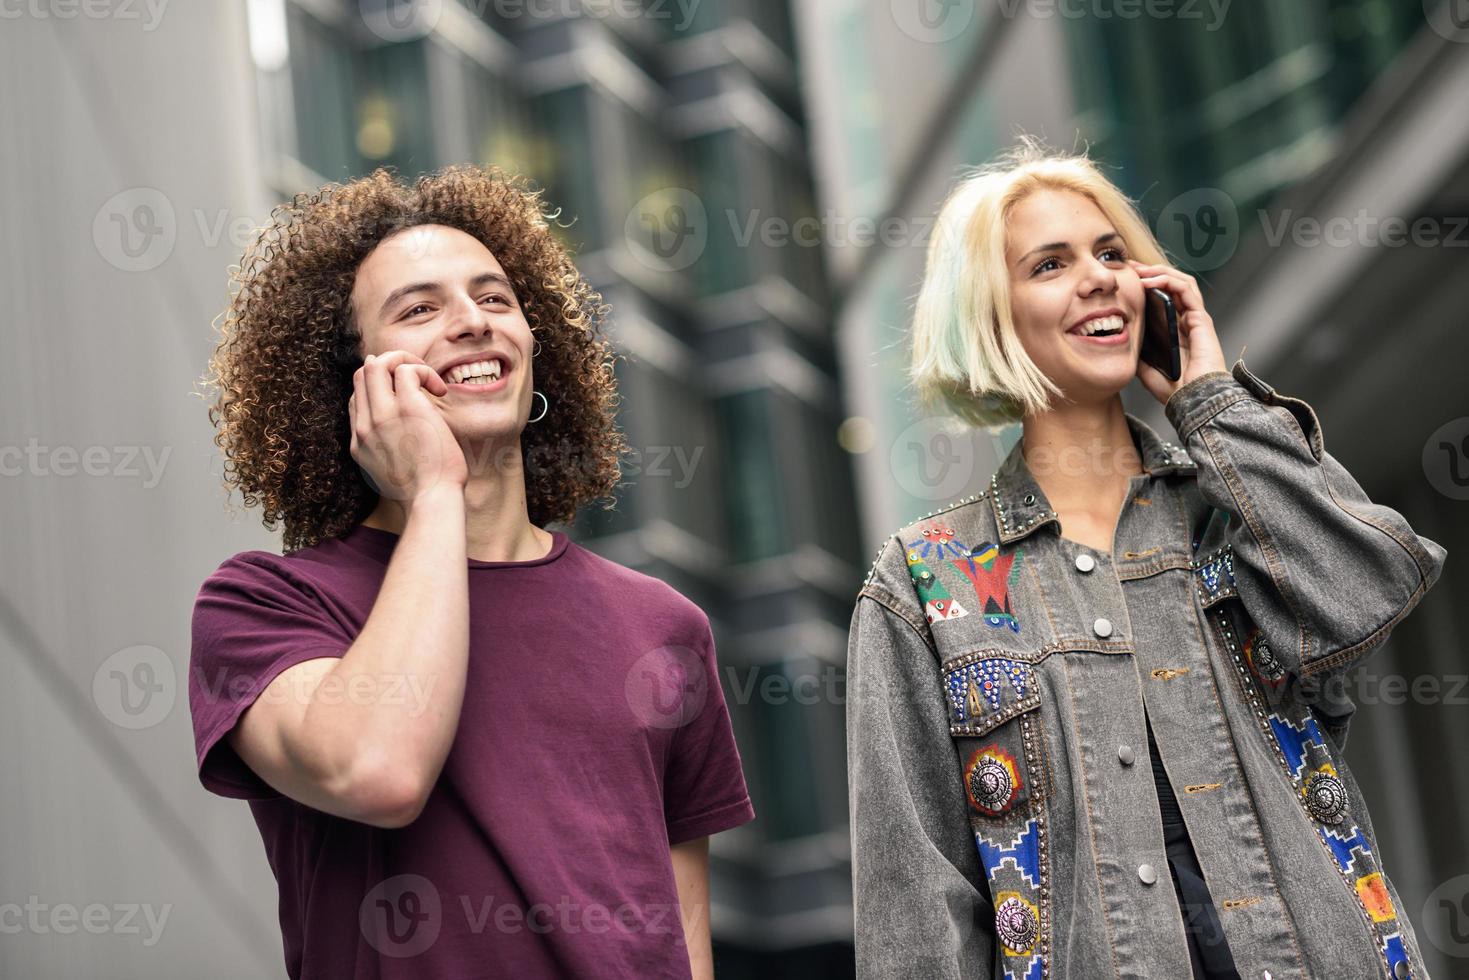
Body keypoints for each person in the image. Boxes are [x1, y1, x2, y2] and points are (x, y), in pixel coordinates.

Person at [846, 137, 1447, 980]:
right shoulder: (925, 583)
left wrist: (1210, 401)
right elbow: (914, 910)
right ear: (986, 314)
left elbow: (1368, 593)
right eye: (1049, 264)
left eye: (1112, 254)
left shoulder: (1234, 509)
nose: (1098, 277)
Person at [189, 165, 755, 979]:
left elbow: (682, 935)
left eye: (494, 299)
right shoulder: (264, 603)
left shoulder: (661, 624)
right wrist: (432, 491)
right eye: (419, 309)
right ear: (349, 384)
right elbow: (375, 770)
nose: (471, 323)